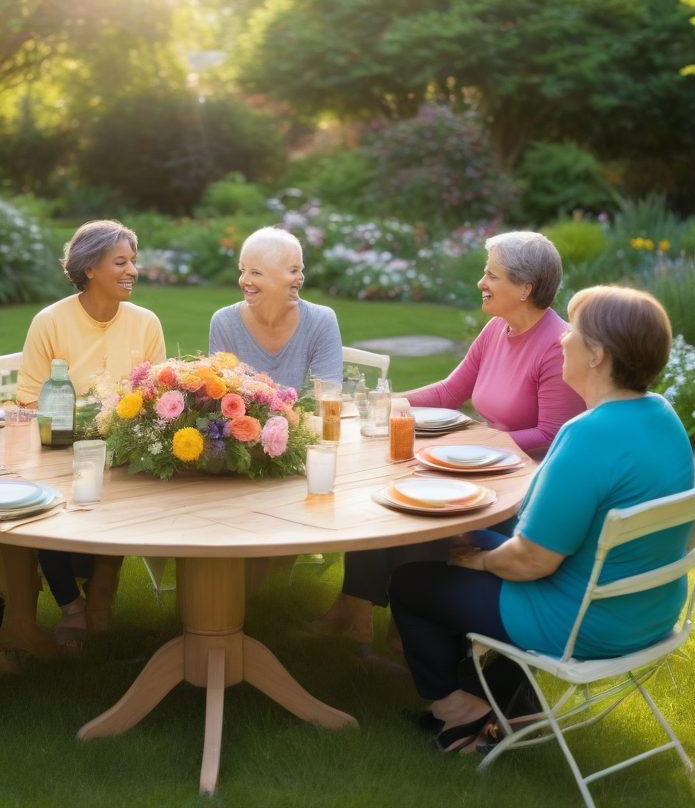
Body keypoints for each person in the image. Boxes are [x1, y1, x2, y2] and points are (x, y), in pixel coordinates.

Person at [388, 285, 694, 752]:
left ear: (597, 355)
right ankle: (508, 694)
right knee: (472, 537)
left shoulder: (587, 435)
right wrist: (484, 545)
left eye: (574, 331)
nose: (562, 339)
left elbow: (532, 561)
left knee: (412, 583)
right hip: (649, 610)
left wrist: (483, 562)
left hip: (583, 622)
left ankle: (460, 712)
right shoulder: (661, 416)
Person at [316, 232, 585, 647]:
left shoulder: (556, 346)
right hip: (479, 468)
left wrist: (480, 445)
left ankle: (408, 632)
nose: (481, 282)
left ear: (525, 288)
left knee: (422, 511)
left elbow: (551, 435)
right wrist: (384, 401)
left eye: (491, 274)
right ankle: (357, 608)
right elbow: (448, 392)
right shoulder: (498, 328)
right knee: (382, 486)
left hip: (520, 489)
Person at [16, 220, 167, 641]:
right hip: (61, 447)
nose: (132, 271)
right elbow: (28, 399)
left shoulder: (146, 323)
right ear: (89, 269)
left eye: (133, 261)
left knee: (123, 488)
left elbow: (157, 396)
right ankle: (70, 605)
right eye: (120, 262)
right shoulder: (50, 321)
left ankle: (101, 592)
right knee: (43, 503)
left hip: (124, 449)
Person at [208, 226, 342, 394]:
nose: (244, 280)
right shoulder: (225, 322)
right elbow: (219, 397)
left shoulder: (321, 320)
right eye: (243, 270)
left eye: (255, 273)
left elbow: (328, 395)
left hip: (308, 421)